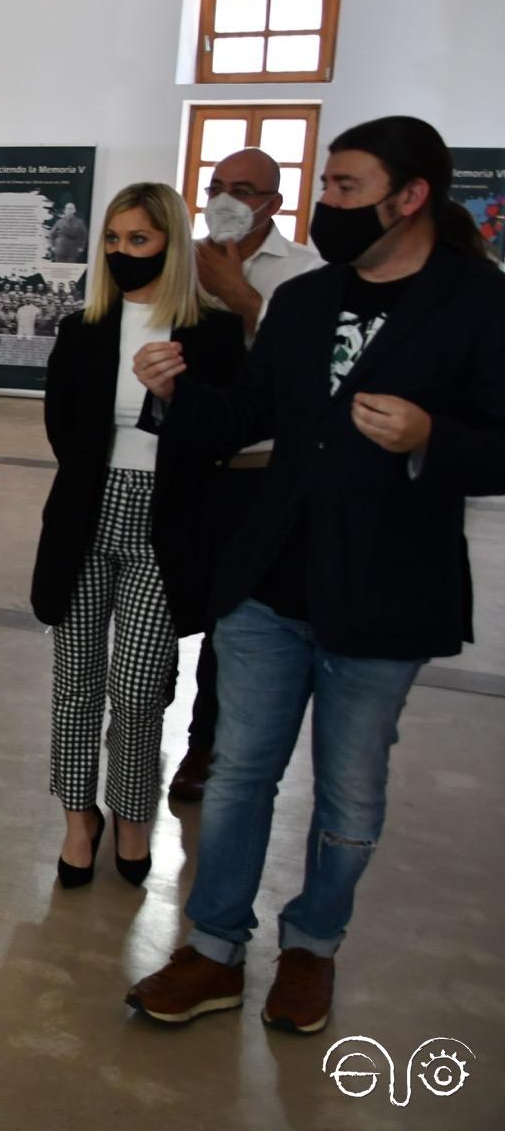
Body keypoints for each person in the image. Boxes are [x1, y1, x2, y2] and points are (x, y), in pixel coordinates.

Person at [125, 116, 505, 1034]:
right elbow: (250, 414)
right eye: (324, 184)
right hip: (268, 580)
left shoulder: (477, 302)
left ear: (408, 196)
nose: (323, 202)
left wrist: (430, 440)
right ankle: (212, 948)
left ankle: (313, 946)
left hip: (385, 588)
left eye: (343, 187)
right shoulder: (302, 301)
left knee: (349, 792)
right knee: (240, 773)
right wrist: (178, 396)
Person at [30, 183, 243, 890]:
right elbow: (63, 427)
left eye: (139, 240)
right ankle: (76, 817)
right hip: (88, 510)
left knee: (141, 685)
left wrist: (175, 402)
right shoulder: (84, 327)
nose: (123, 252)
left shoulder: (210, 331)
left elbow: (226, 429)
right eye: (114, 240)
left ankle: (132, 813)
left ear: (171, 245)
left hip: (168, 515)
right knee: (76, 682)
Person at [168, 147, 322, 802]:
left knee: (234, 620)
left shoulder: (308, 274)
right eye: (216, 185)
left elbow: (313, 377)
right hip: (180, 464)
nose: (227, 199)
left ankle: (206, 744)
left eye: (244, 188)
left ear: (274, 202)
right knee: (171, 601)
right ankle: (142, 729)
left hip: (255, 471)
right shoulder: (181, 262)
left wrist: (246, 302)